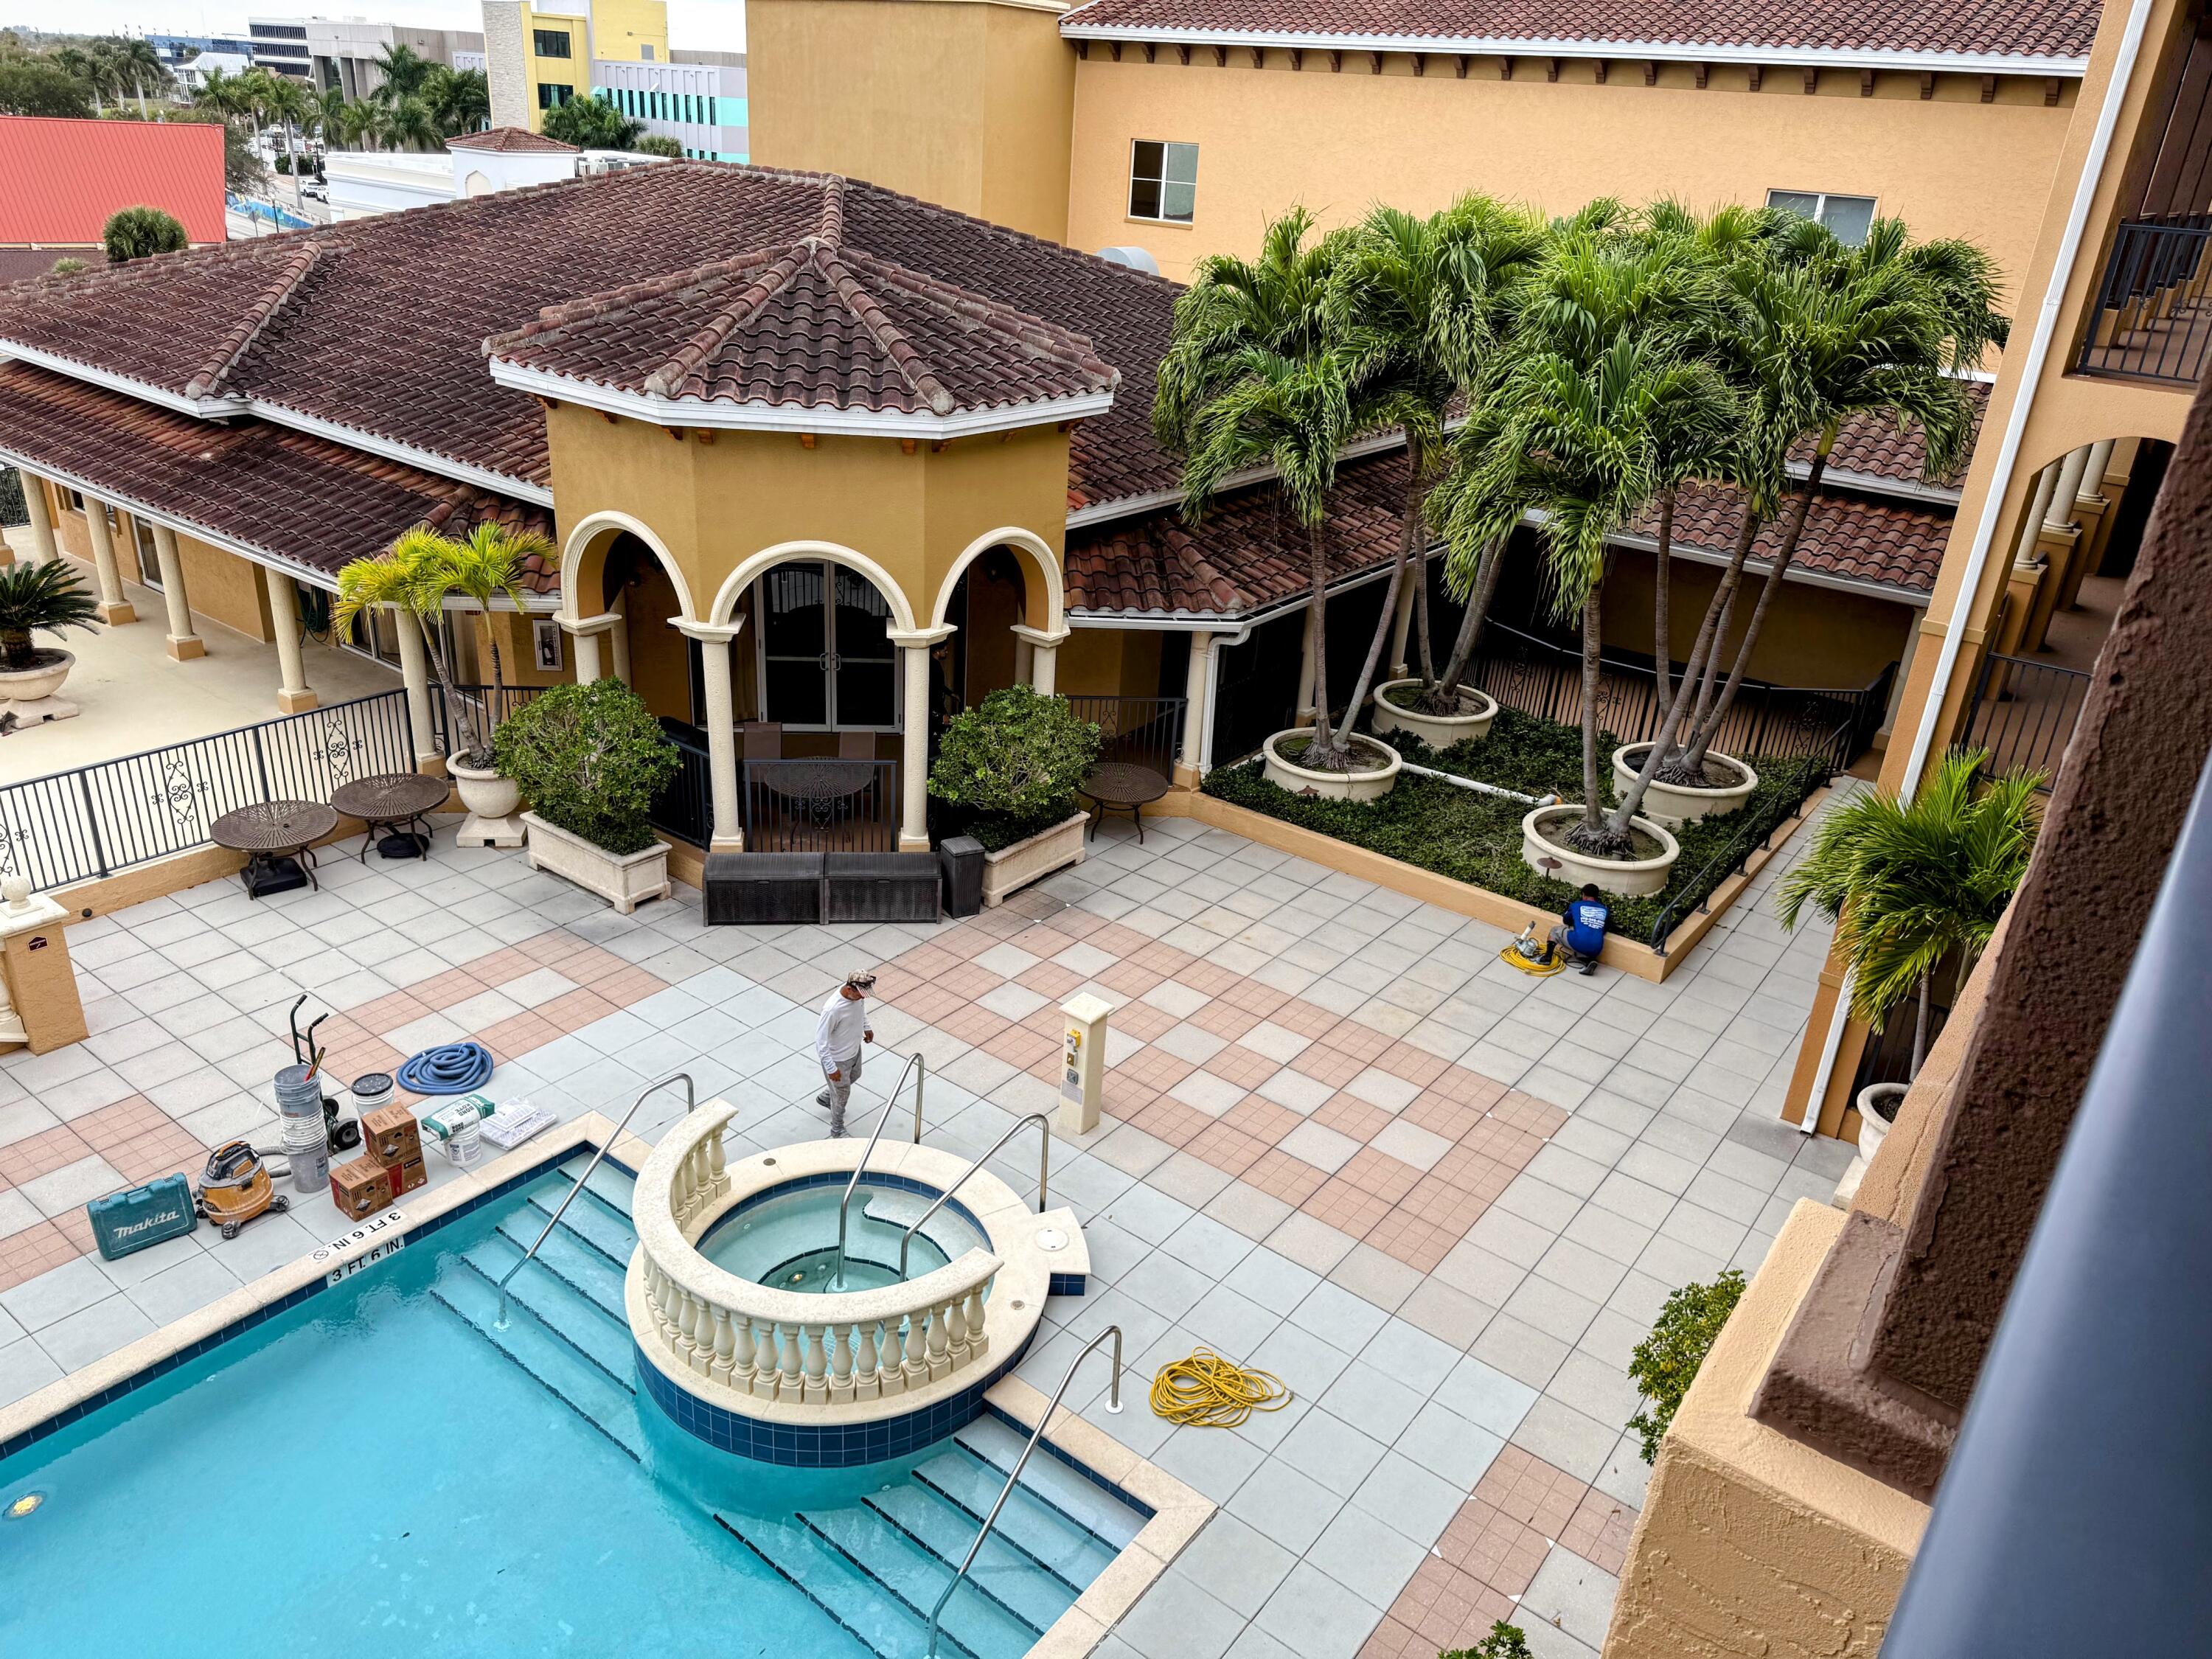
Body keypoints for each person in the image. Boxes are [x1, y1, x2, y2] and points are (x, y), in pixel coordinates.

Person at [814, 972, 877, 1136]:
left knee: (856, 1075)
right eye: (860, 995)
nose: (863, 998)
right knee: (842, 1097)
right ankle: (837, 1130)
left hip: (854, 1050)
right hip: (838, 1060)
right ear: (849, 989)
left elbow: (861, 1009)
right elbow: (821, 1042)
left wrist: (866, 1026)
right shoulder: (832, 1010)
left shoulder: (857, 996)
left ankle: (827, 1096)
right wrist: (830, 1067)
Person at [1547, 884, 1610, 975]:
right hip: (1597, 948)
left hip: (1579, 942)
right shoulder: (1605, 910)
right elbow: (1604, 929)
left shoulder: (1576, 905)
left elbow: (1566, 920)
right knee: (1584, 942)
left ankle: (1547, 957)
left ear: (1584, 895)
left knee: (1555, 931)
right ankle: (1589, 961)